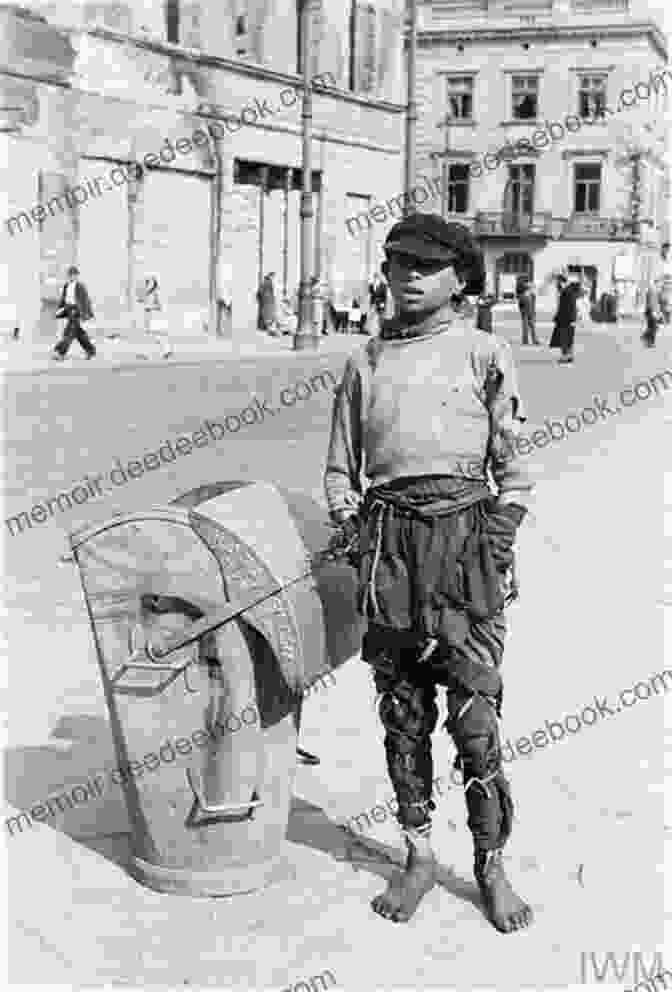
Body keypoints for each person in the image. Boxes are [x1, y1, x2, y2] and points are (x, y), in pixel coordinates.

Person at [324, 213, 534, 932]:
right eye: (396, 263)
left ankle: (490, 864)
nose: (407, 276)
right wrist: (352, 528)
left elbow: (516, 469)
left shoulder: (484, 353)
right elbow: (338, 468)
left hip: (464, 543)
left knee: (475, 719)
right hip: (389, 549)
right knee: (402, 714)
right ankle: (416, 855)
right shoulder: (365, 361)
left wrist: (497, 538)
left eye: (425, 265)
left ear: (460, 279)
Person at [53, 265, 96, 360]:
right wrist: (60, 310)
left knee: (69, 332)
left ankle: (61, 352)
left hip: (76, 310)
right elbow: (63, 299)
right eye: (70, 275)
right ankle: (91, 350)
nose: (72, 276)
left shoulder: (80, 286)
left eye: (74, 275)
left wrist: (87, 314)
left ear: (77, 276)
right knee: (79, 333)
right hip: (68, 309)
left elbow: (85, 300)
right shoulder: (66, 286)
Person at [549, 273, 578, 364]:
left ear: (561, 281)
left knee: (564, 339)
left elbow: (569, 307)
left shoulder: (567, 291)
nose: (556, 284)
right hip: (567, 319)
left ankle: (565, 357)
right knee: (568, 338)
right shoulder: (567, 290)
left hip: (566, 319)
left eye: (557, 282)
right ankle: (569, 356)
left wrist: (571, 319)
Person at [140, 276, 171, 359]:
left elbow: (159, 306)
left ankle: (148, 354)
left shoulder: (155, 293)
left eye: (148, 282)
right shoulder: (150, 294)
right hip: (152, 317)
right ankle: (166, 351)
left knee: (154, 335)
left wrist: (150, 307)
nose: (146, 284)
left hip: (156, 317)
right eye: (146, 282)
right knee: (155, 336)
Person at [515, 275, 539, 346]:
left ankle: (526, 340)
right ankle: (534, 340)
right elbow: (532, 301)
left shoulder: (520, 291)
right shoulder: (527, 292)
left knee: (525, 324)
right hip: (528, 309)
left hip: (525, 309)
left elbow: (521, 303)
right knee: (530, 324)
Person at [642, 281, 662, 348]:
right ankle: (649, 341)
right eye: (659, 284)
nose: (660, 285)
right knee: (653, 327)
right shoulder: (652, 290)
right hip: (651, 311)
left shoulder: (655, 291)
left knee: (652, 327)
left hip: (652, 311)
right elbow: (651, 302)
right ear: (656, 283)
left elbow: (657, 303)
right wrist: (654, 311)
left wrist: (659, 312)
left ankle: (647, 339)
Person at [658, 242, 672, 325]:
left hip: (668, 280)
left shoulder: (669, 258)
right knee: (662, 300)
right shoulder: (661, 258)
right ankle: (664, 317)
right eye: (663, 249)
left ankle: (667, 318)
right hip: (662, 281)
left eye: (666, 249)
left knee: (667, 300)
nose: (664, 251)